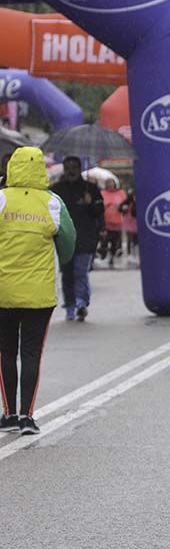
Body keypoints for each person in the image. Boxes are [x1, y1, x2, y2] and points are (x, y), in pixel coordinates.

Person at [0, 146, 77, 435]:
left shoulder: (1, 199)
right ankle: (26, 417)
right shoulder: (52, 202)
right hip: (39, 294)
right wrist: (60, 258)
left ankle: (8, 414)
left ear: (12, 167)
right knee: (31, 353)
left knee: (6, 352)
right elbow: (68, 241)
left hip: (4, 291)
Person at [50, 156, 104, 321]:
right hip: (64, 239)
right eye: (67, 167)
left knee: (81, 272)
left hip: (85, 238)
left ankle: (81, 302)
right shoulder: (56, 190)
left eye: (74, 167)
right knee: (67, 274)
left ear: (80, 169)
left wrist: (91, 204)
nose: (71, 171)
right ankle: (70, 305)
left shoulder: (91, 188)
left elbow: (99, 212)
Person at [100, 178, 126, 269]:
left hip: (117, 222)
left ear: (115, 184)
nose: (110, 185)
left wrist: (121, 207)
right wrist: (106, 206)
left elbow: (125, 204)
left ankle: (112, 258)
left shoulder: (120, 193)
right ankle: (103, 257)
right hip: (106, 222)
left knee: (115, 242)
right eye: (108, 183)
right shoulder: (102, 193)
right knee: (105, 241)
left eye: (111, 183)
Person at [119, 187, 139, 267]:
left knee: (136, 240)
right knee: (130, 239)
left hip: (136, 222)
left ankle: (136, 255)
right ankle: (129, 255)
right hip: (128, 222)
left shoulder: (139, 201)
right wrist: (123, 208)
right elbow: (120, 208)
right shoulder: (127, 201)